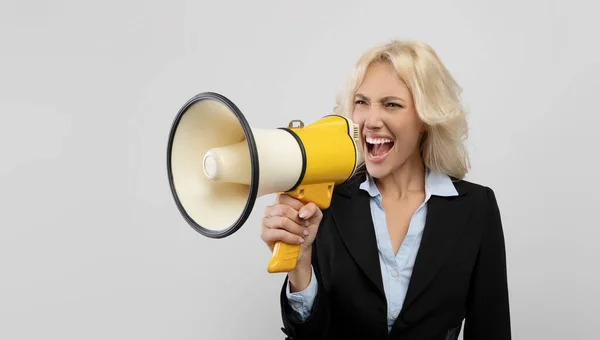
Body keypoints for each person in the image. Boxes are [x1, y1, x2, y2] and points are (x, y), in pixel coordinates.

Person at [260, 40, 511, 340]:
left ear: (426, 119)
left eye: (392, 104)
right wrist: (300, 266)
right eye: (362, 102)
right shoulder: (325, 202)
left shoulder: (476, 208)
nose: (371, 121)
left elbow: (491, 330)